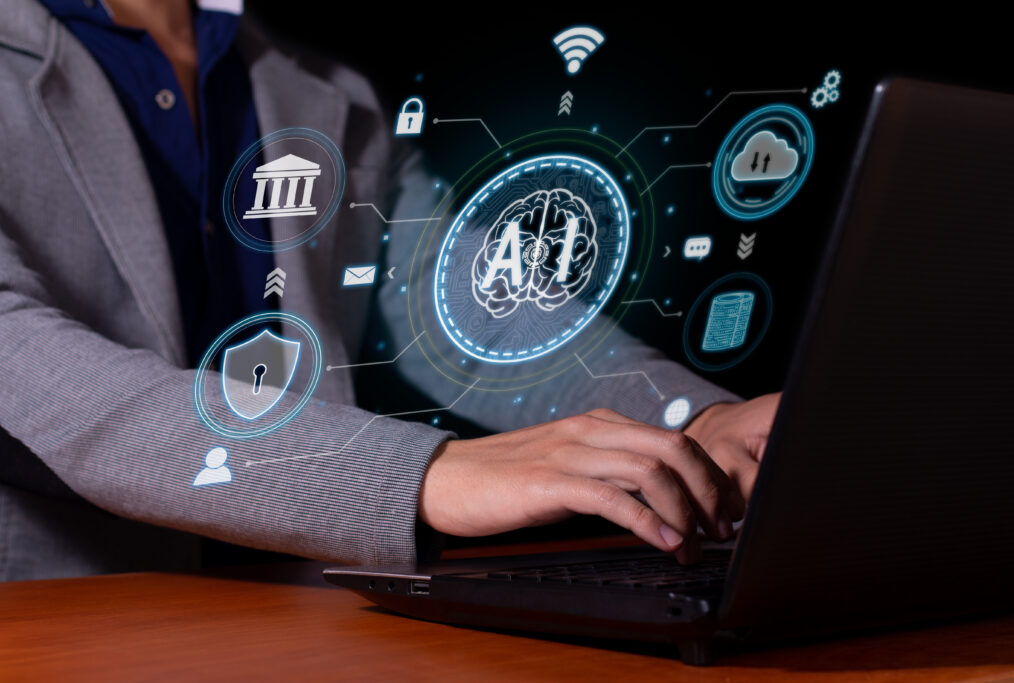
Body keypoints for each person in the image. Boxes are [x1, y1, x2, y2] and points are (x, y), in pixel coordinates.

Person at [0, 0, 779, 581]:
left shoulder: (314, 89)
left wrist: (692, 420)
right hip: (56, 618)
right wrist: (419, 473)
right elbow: (40, 375)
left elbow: (466, 305)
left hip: (300, 614)